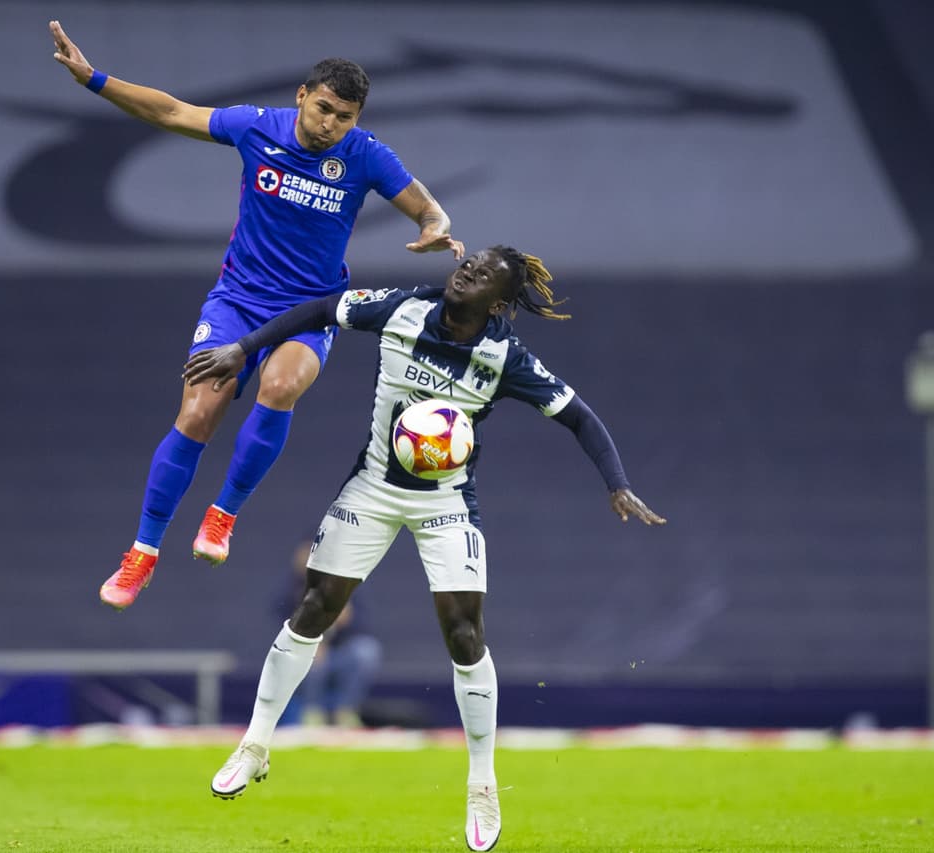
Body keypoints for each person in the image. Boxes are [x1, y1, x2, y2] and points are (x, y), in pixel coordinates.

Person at [183, 246, 666, 851]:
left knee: (465, 635)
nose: (469, 268)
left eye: (487, 271)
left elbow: (581, 418)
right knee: (313, 611)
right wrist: (245, 348)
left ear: (501, 299)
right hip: (374, 487)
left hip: (446, 504)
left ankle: (482, 785)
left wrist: (617, 484)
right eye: (473, 260)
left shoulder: (504, 357)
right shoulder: (403, 306)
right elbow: (321, 309)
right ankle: (254, 744)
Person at [49, 20, 465, 611]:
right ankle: (142, 553)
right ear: (302, 95)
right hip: (238, 302)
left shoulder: (366, 156)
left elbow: (427, 208)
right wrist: (92, 78)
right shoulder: (255, 128)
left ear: (357, 119)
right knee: (197, 415)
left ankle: (222, 516)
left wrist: (435, 228)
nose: (330, 125)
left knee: (281, 383)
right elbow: (170, 113)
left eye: (344, 117)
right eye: (323, 109)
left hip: (309, 311)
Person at [276, 539, 381, 728]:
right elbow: (282, 623)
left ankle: (345, 711)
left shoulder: (347, 583)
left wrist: (345, 621)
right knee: (312, 656)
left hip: (339, 652)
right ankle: (311, 713)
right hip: (306, 653)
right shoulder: (294, 587)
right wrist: (311, 642)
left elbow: (362, 626)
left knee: (365, 651)